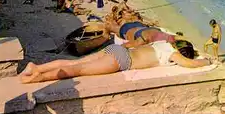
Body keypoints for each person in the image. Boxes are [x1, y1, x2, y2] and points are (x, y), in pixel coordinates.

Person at [19, 40, 214, 84]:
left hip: (118, 50)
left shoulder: (162, 43)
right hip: (122, 60)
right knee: (77, 70)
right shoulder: (172, 54)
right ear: (182, 52)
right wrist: (206, 61)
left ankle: (36, 67)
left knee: (75, 62)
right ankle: (37, 78)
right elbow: (189, 64)